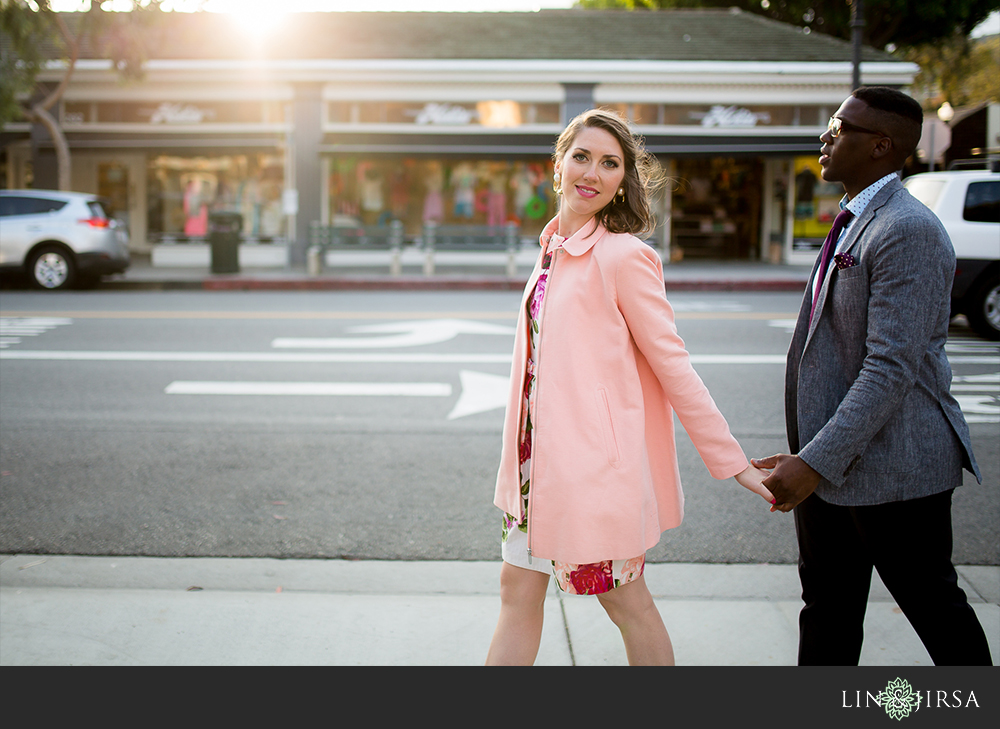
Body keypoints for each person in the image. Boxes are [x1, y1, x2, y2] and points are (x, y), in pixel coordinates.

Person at [484, 108, 773, 666]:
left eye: (610, 163)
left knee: (626, 604)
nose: (592, 172)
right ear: (558, 165)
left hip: (592, 479)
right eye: (582, 156)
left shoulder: (624, 256)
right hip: (532, 474)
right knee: (516, 591)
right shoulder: (551, 253)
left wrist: (733, 461)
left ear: (622, 182)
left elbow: (674, 365)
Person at [751, 86, 993, 666]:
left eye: (841, 128)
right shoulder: (856, 217)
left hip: (897, 467)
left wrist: (811, 463)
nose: (826, 137)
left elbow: (891, 366)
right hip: (829, 463)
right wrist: (811, 456)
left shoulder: (907, 229)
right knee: (828, 609)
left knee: (933, 608)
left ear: (881, 146)